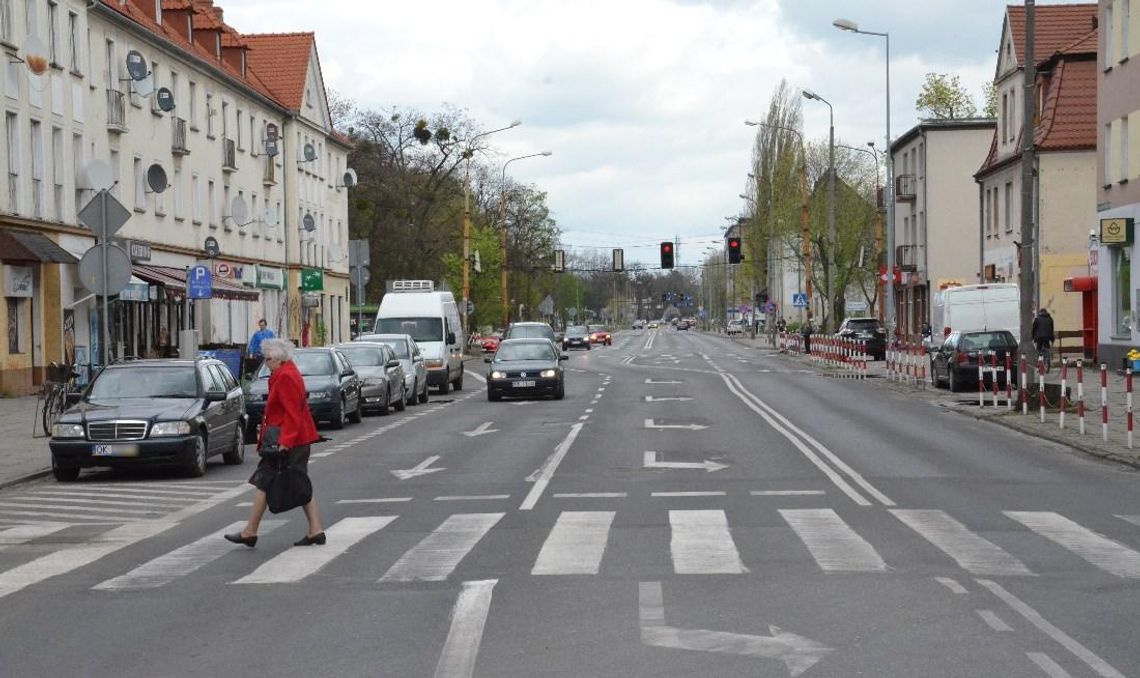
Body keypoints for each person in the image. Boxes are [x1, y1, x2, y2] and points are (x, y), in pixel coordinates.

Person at [226, 338, 325, 548]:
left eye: (268, 359)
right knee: (290, 482)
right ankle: (314, 530)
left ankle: (250, 532)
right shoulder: (283, 373)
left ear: (280, 359)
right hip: (292, 439)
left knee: (270, 482)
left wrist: (285, 442)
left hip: (290, 441)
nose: (266, 362)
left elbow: (292, 413)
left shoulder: (286, 376)